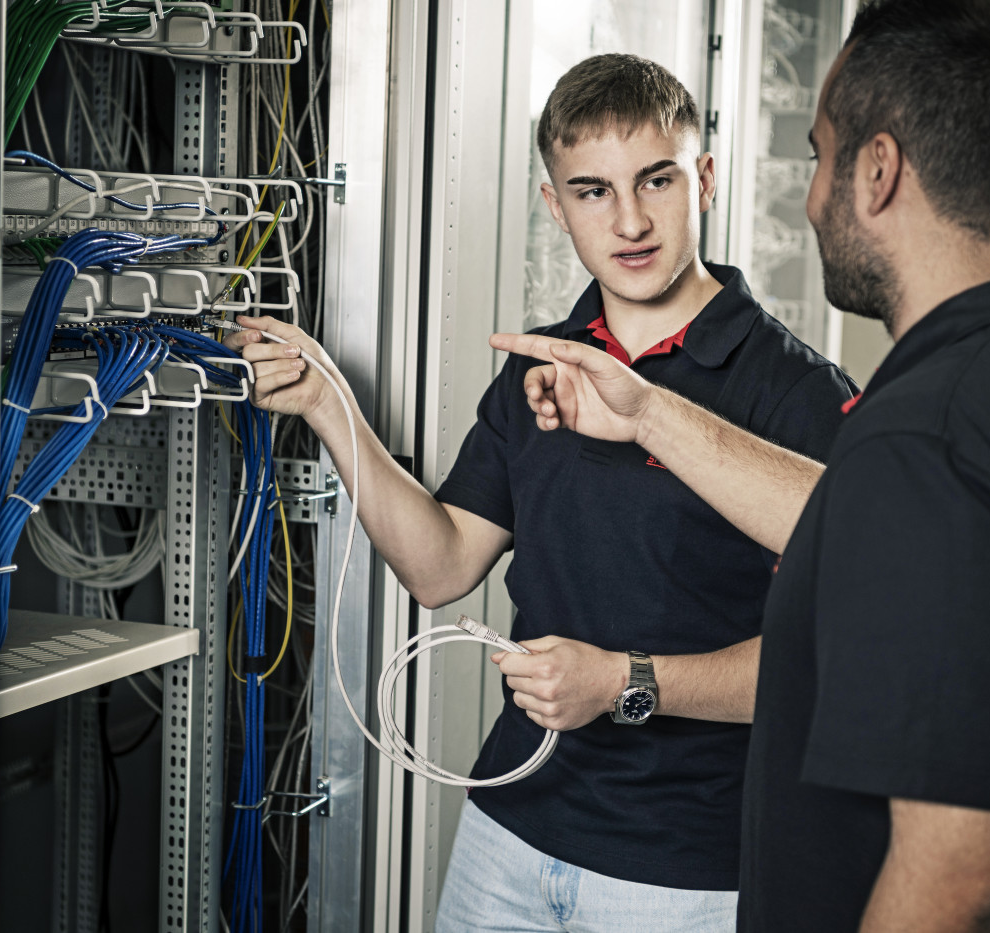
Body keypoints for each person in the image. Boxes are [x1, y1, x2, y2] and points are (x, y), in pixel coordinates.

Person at [493, 2, 990, 931]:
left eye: (818, 156)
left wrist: (625, 677)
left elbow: (957, 876)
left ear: (876, 171)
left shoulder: (927, 439)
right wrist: (645, 413)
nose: (809, 199)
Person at [225, 53, 855, 930]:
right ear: (556, 206)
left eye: (657, 180)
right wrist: (331, 406)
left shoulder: (799, 393)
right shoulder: (545, 368)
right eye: (593, 191)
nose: (630, 220)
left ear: (704, 179)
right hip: (509, 832)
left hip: (683, 874)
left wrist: (624, 681)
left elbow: (834, 659)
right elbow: (441, 566)